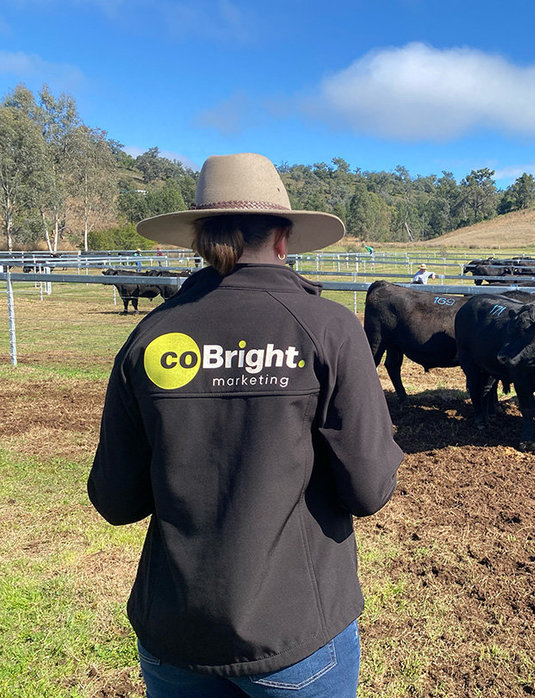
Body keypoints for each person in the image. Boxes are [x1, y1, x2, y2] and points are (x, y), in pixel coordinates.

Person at [88, 153, 403, 697]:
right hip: (296, 629)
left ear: (200, 239)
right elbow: (370, 488)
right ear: (283, 238)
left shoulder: (150, 335)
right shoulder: (327, 329)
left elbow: (116, 500)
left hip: (176, 630)